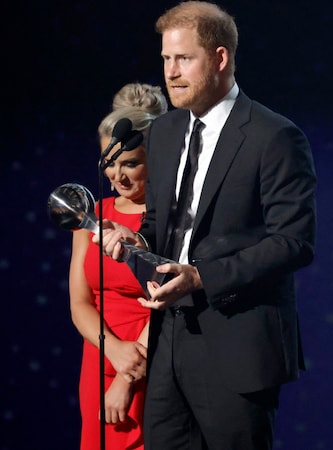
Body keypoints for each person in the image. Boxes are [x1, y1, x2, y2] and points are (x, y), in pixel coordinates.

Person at [95, 2, 317, 449]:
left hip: (236, 342)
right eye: (165, 59)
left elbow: (294, 242)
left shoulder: (273, 136)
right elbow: (160, 226)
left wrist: (200, 278)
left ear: (220, 58)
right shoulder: (164, 132)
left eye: (184, 59)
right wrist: (134, 241)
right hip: (168, 343)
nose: (171, 72)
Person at [69, 82, 168, 449]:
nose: (117, 176)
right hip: (100, 356)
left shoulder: (170, 217)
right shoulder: (94, 215)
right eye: (109, 164)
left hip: (153, 357)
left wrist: (128, 375)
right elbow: (80, 303)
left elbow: (169, 299)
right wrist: (111, 349)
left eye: (130, 163)